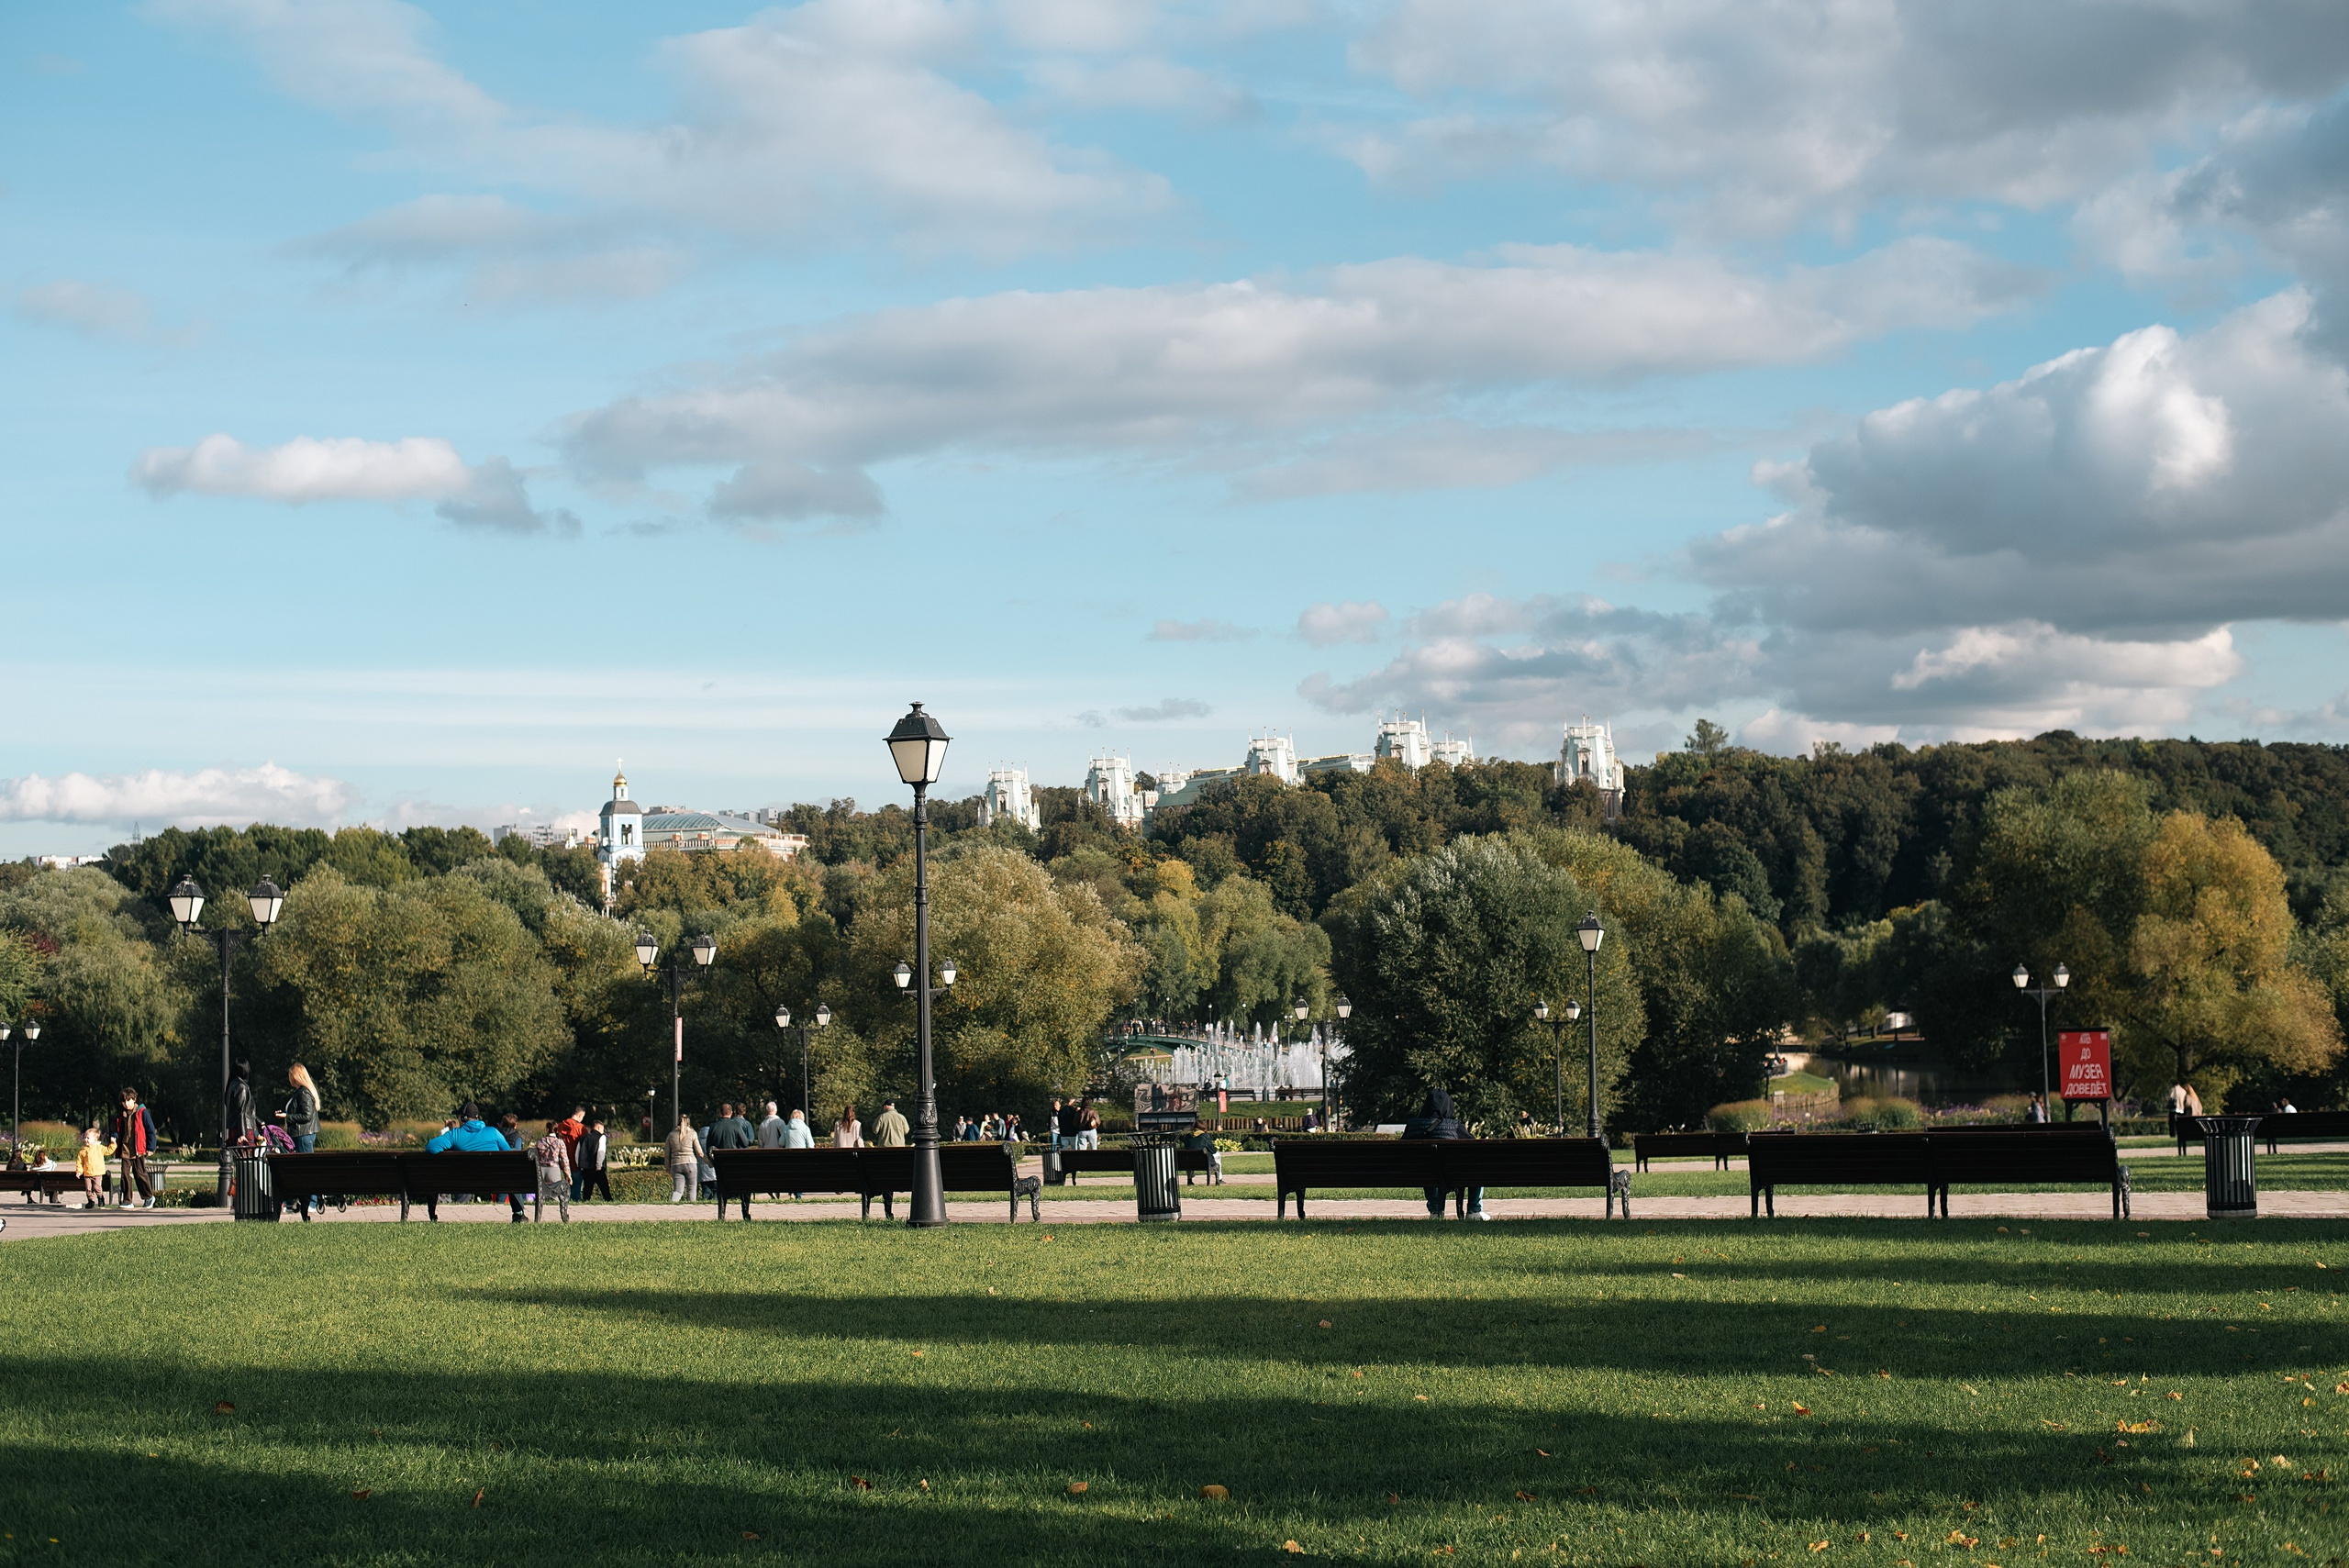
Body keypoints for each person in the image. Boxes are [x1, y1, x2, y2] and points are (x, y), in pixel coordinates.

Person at [425, 1103, 525, 1222]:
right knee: (511, 1172)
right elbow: (509, 1155)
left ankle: (432, 1214)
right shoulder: (493, 1132)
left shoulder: (454, 1135)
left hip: (461, 1181)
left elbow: (431, 1147)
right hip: (495, 1181)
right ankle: (518, 1214)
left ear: (463, 1118)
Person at [1403, 1086, 1479, 1219]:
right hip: (1455, 1174)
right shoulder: (1454, 1126)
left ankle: (1435, 1211)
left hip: (1421, 1173)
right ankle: (1474, 1210)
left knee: (1428, 1167)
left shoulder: (1413, 1126)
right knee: (1477, 1167)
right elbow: (1474, 1147)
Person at [277, 1064, 324, 1215]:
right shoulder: (301, 1092)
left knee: (307, 1169)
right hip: (302, 1134)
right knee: (304, 1169)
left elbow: (306, 1115)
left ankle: (311, 1202)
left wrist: (288, 1117)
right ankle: (304, 1201)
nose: (289, 1079)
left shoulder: (303, 1092)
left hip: (303, 1135)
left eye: (291, 1076)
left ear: (296, 1077)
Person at [110, 1087, 161, 1209]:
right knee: (125, 1174)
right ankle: (127, 1200)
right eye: (124, 1101)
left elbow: (150, 1130)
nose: (126, 1104)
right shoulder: (121, 1114)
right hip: (125, 1149)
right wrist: (114, 1136)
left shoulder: (142, 1112)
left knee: (140, 1174)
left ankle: (148, 1197)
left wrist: (151, 1147)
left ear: (134, 1099)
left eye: (129, 1100)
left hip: (138, 1149)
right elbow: (118, 1129)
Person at [530, 1120, 573, 1222]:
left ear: (547, 1130)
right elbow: (565, 1160)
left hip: (541, 1170)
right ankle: (555, 1216)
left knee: (541, 1192)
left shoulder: (540, 1141)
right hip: (553, 1170)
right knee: (556, 1194)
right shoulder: (559, 1142)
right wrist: (568, 1175)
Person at [665, 1115, 707, 1203]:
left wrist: (668, 1168)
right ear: (689, 1122)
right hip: (690, 1163)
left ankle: (671, 1205)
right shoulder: (693, 1133)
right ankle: (691, 1208)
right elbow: (700, 1152)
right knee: (692, 1189)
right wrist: (709, 1163)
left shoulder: (671, 1135)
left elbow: (667, 1154)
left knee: (678, 1191)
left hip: (676, 1164)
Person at [223, 1058, 259, 1151]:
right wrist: (242, 1134)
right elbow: (241, 1112)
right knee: (248, 1155)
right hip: (244, 1128)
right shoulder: (242, 1087)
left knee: (239, 1156)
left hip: (234, 1127)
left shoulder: (231, 1085)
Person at [75, 1128, 115, 1209]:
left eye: (88, 1138)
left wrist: (113, 1144)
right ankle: (91, 1201)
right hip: (87, 1173)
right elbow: (80, 1163)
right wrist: (79, 1171)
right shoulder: (83, 1151)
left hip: (97, 1172)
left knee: (97, 1187)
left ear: (95, 1139)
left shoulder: (99, 1148)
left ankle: (100, 1197)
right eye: (85, 1137)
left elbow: (108, 1151)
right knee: (88, 1189)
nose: (86, 1139)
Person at [576, 1118, 614, 1202]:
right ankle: (609, 1201)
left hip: (585, 1168)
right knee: (604, 1188)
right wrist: (599, 1166)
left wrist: (580, 1165)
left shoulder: (583, 1138)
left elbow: (577, 1153)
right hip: (597, 1169)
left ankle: (585, 1203)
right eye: (603, 1129)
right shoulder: (602, 1137)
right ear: (599, 1127)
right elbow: (601, 1153)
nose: (603, 1131)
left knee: (587, 1189)